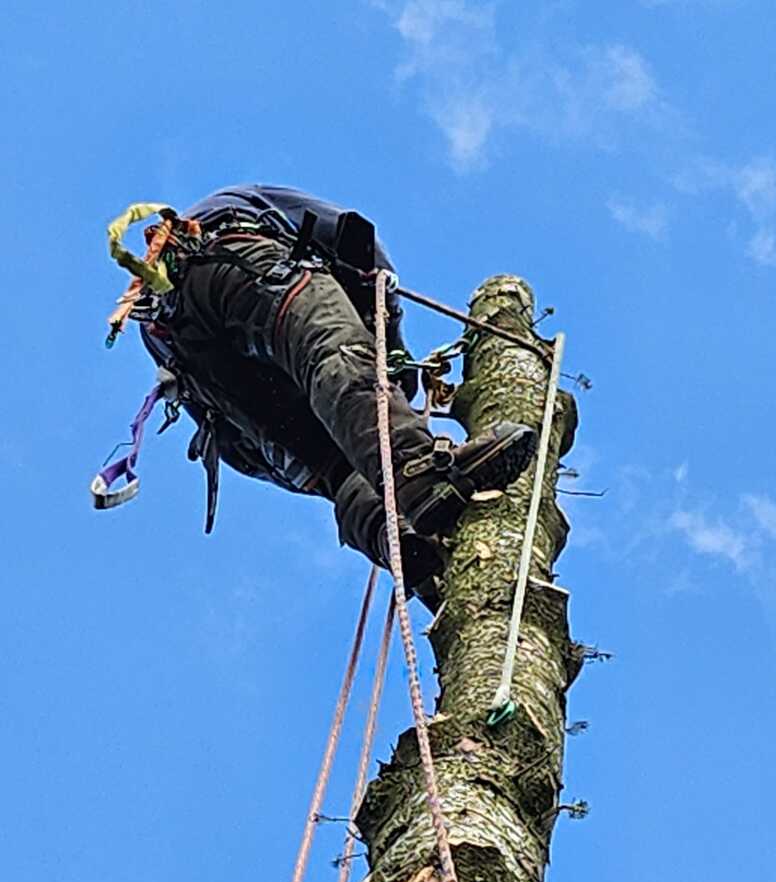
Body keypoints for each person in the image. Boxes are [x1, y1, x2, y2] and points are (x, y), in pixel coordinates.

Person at [119, 184, 538, 593]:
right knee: (335, 354)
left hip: (191, 352)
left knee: (337, 466)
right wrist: (389, 344)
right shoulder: (256, 201)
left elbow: (246, 450)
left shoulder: (164, 327)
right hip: (233, 262)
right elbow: (361, 246)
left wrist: (330, 474)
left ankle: (390, 534)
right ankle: (418, 472)